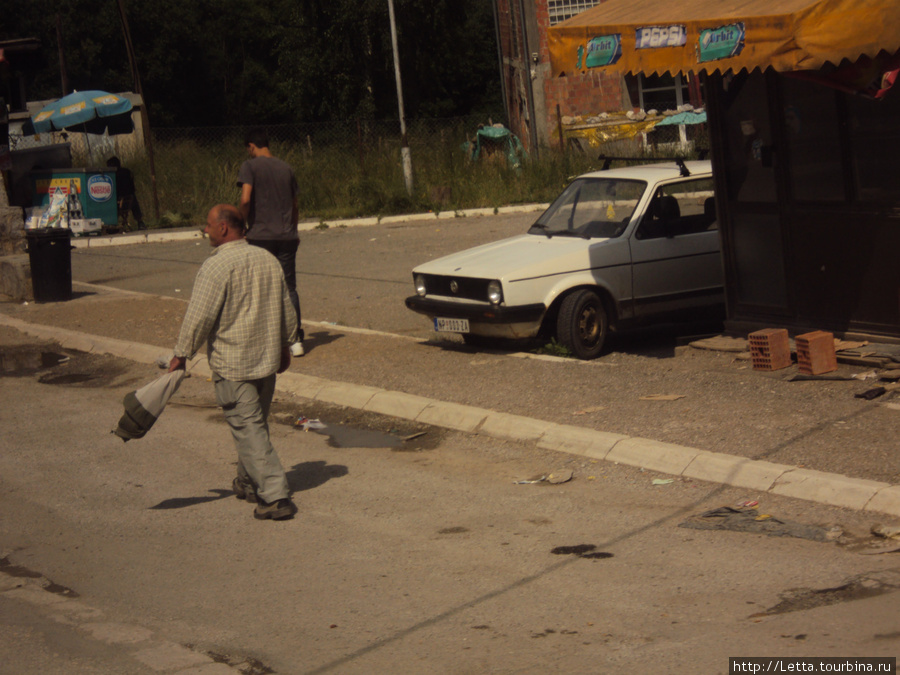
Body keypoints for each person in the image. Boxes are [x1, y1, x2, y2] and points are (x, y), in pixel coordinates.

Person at [168, 204, 298, 521]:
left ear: (224, 228)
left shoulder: (216, 267)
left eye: (209, 224)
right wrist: (286, 345)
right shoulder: (267, 260)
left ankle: (275, 497)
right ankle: (249, 482)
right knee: (253, 425)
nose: (205, 229)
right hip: (267, 361)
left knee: (248, 428)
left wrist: (181, 353)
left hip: (234, 365)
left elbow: (199, 316)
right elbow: (287, 308)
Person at [237, 128, 304, 356]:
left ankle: (264, 339)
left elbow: (245, 199)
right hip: (287, 236)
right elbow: (295, 206)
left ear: (251, 146)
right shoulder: (286, 168)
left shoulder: (249, 167)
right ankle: (295, 340)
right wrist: (293, 230)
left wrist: (242, 224)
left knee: (259, 288)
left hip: (260, 236)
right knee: (289, 287)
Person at [107, 156, 146, 230]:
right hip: (130, 202)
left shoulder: (112, 176)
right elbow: (133, 188)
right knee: (133, 197)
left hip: (117, 204)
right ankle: (140, 221)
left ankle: (110, 225)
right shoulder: (127, 172)